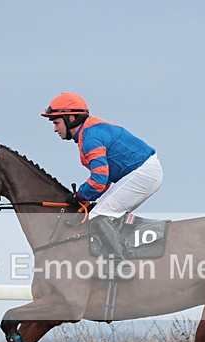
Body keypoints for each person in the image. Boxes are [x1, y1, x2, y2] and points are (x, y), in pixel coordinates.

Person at [41, 92, 163, 277]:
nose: (55, 129)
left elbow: (99, 180)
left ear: (71, 118)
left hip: (143, 173)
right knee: (101, 211)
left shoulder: (90, 136)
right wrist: (87, 199)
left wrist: (79, 196)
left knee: (99, 215)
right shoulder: (88, 132)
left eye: (56, 123)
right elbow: (103, 181)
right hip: (141, 172)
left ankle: (121, 266)